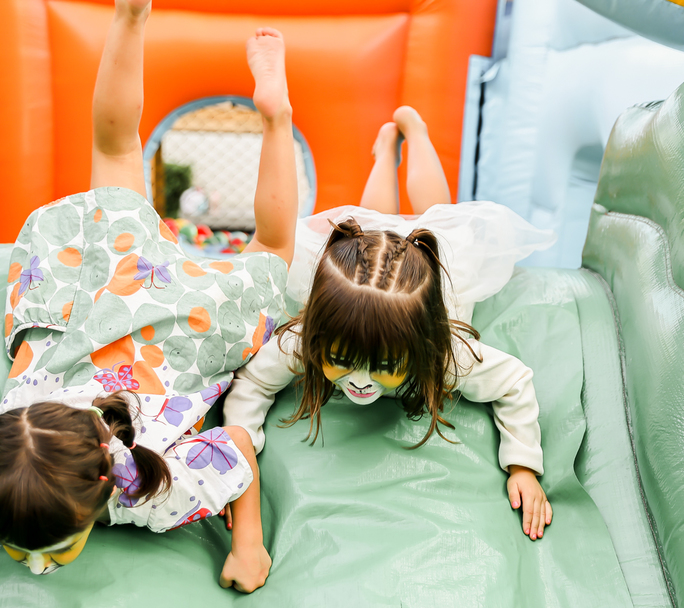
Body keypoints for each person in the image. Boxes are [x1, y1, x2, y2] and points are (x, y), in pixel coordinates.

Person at [0, 0, 298, 608]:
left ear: (105, 488)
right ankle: (132, 19)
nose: (37, 567)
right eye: (19, 551)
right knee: (114, 153)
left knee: (274, 252)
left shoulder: (147, 489)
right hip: (94, 314)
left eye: (53, 549)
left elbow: (236, 444)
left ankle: (275, 116)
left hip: (175, 335)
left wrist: (249, 541)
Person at [223, 108, 555, 541]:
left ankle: (417, 133)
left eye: (384, 366)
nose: (361, 381)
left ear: (421, 345)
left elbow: (513, 381)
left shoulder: (445, 354)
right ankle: (384, 154)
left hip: (441, 267)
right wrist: (238, 453)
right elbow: (253, 382)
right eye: (342, 361)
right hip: (371, 278)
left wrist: (523, 464)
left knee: (437, 216)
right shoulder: (310, 339)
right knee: (373, 219)